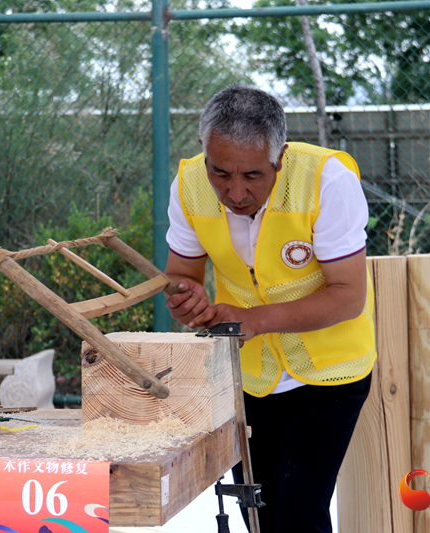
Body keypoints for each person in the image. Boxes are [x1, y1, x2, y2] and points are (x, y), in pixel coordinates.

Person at [163, 85, 376, 533]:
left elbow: (348, 295)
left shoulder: (327, 180)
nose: (235, 191)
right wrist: (187, 300)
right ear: (204, 150)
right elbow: (182, 276)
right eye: (220, 173)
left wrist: (255, 320)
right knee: (256, 514)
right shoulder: (188, 185)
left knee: (299, 516)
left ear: (280, 157)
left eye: (253, 176)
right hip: (249, 375)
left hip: (330, 373)